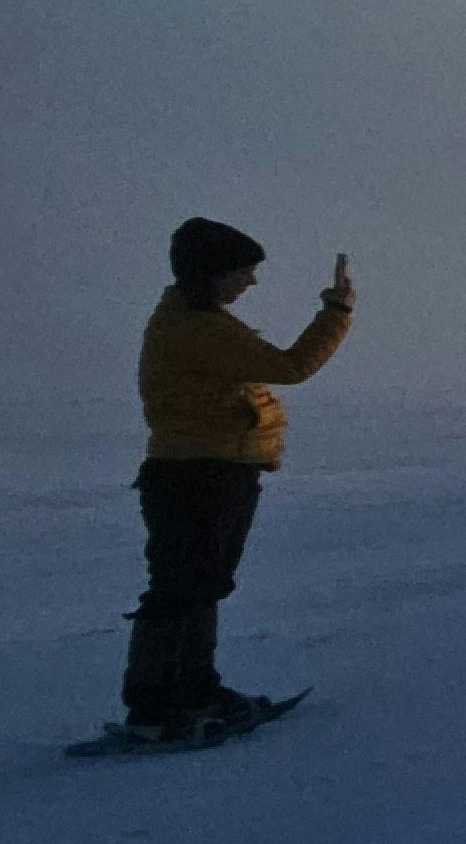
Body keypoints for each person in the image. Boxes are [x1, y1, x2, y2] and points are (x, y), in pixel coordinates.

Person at [124, 218, 353, 738]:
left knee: (199, 585)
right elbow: (293, 367)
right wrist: (337, 311)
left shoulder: (194, 319)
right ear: (210, 274)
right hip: (197, 474)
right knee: (182, 588)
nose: (250, 283)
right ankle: (157, 706)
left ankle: (193, 691)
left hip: (209, 469)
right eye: (243, 272)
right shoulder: (199, 329)